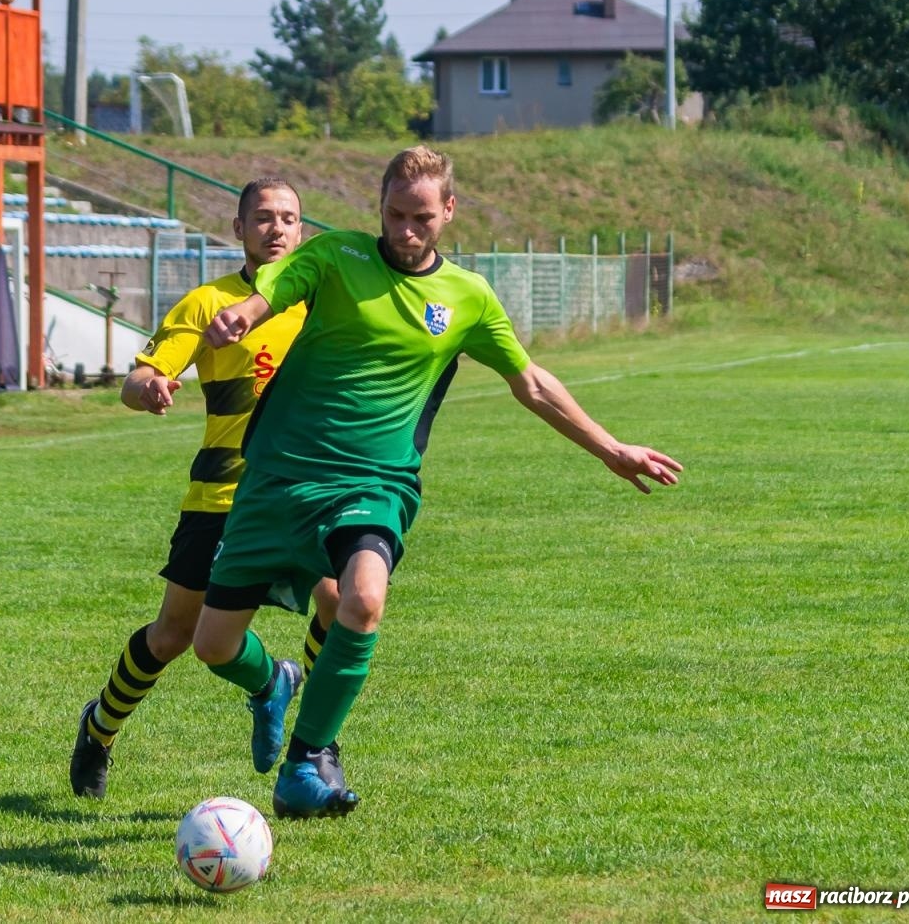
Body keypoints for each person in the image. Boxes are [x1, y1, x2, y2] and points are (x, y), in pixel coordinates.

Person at [192, 145, 683, 819]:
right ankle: (273, 681)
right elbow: (267, 292)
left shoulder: (467, 298)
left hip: (374, 483)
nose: (405, 230)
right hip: (277, 481)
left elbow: (531, 382)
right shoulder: (334, 257)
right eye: (394, 213)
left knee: (363, 599)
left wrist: (609, 448)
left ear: (449, 210)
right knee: (213, 645)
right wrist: (240, 317)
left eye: (421, 217)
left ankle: (306, 762)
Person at [70, 177, 342, 799]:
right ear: (239, 229)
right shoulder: (207, 304)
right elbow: (141, 376)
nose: (277, 228)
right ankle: (102, 726)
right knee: (175, 635)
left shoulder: (325, 300)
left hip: (307, 492)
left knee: (339, 597)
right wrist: (148, 388)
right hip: (223, 496)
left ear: (304, 231)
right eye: (264, 217)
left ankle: (317, 744)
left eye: (290, 218)